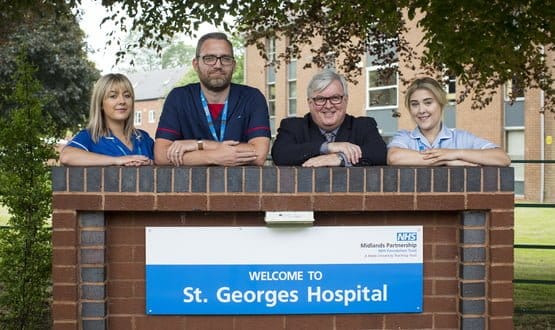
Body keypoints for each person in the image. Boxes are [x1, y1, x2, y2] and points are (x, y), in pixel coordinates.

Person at [154, 32, 271, 166]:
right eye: (209, 58)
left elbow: (258, 154)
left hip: (240, 185)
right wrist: (213, 156)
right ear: (196, 64)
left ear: (233, 65)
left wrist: (199, 145)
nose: (218, 65)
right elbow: (161, 155)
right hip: (191, 186)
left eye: (225, 58)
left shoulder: (252, 98)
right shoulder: (179, 98)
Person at [271, 70, 387, 167]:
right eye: (320, 99)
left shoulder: (364, 126)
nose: (328, 106)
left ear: (345, 100)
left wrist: (340, 158)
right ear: (310, 103)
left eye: (335, 98)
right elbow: (280, 154)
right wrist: (327, 147)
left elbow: (379, 153)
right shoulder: (293, 127)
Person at [387, 76, 511, 166]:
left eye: (428, 102)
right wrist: (446, 160)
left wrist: (454, 153)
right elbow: (394, 158)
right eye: (414, 104)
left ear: (441, 103)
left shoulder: (461, 138)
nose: (421, 110)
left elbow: (502, 158)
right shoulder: (404, 137)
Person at [60, 73, 154, 166]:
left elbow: (162, 161)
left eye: (127, 96)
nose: (122, 101)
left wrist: (152, 163)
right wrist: (116, 160)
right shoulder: (91, 136)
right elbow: (66, 156)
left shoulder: (143, 138)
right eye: (113, 96)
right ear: (100, 103)